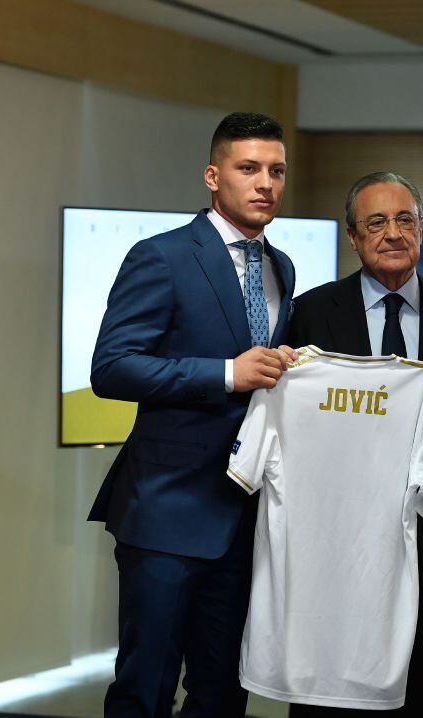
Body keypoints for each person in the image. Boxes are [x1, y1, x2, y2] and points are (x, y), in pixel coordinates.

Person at [89, 112, 296, 718]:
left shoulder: (281, 266)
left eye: (276, 171)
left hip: (243, 517)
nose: (266, 184)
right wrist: (226, 372)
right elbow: (113, 367)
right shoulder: (162, 256)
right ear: (213, 176)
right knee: (145, 691)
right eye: (249, 168)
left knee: (223, 694)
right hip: (166, 512)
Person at [286, 171, 423, 715]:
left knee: (419, 699)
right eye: (376, 222)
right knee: (326, 701)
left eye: (405, 219)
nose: (393, 233)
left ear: (422, 230)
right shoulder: (312, 313)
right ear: (353, 236)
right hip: (334, 551)